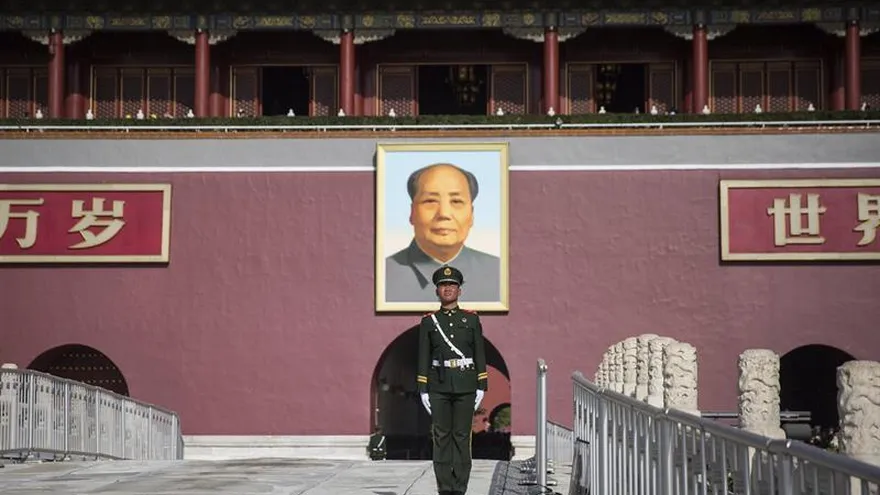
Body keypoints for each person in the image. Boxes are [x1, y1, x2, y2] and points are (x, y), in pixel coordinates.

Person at [417, 265, 489, 495]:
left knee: (461, 437)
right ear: (437, 291)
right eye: (443, 285)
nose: (447, 288)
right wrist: (423, 388)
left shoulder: (471, 320)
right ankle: (444, 488)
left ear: (460, 291)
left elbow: (479, 352)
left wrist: (481, 385)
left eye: (452, 285)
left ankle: (460, 489)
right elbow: (423, 355)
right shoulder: (429, 321)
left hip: (466, 385)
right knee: (441, 438)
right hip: (438, 386)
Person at [386, 163, 500, 303]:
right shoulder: (383, 275)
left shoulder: (500, 274)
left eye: (456, 201)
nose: (444, 214)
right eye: (430, 201)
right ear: (412, 212)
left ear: (472, 215)